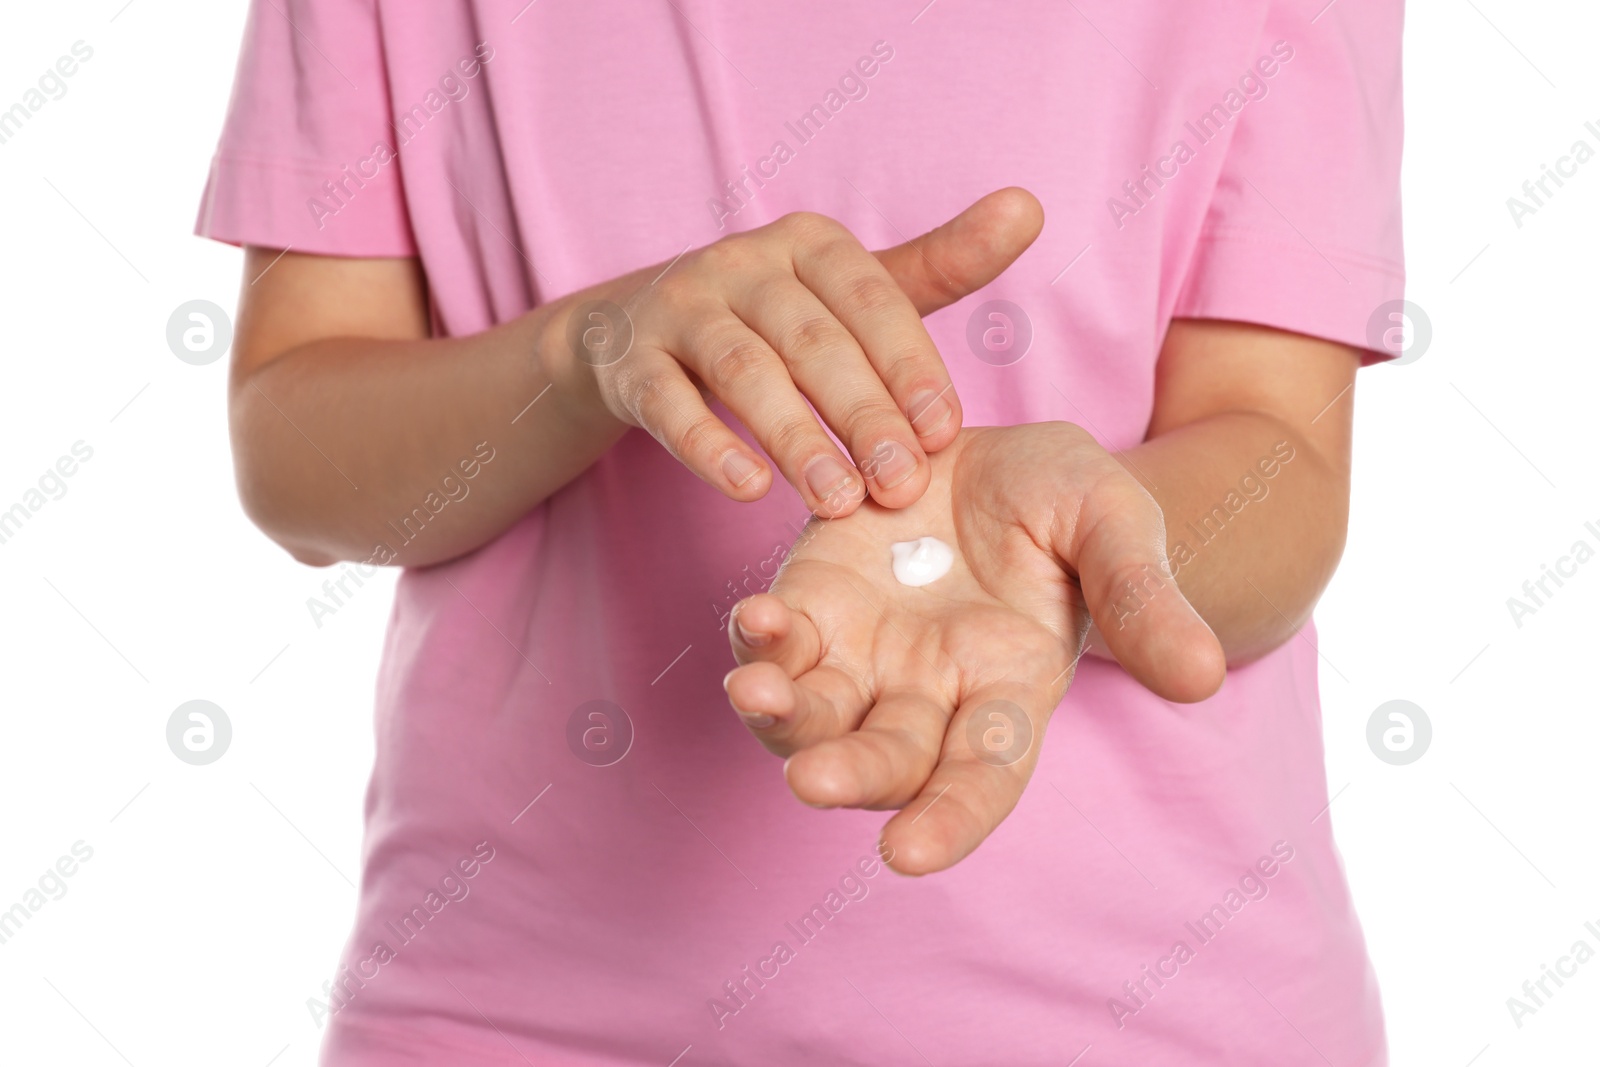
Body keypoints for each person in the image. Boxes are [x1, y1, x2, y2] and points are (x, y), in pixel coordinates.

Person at [201, 0, 1403, 1062]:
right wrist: (582, 356)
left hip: (1144, 1012)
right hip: (500, 1008)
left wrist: (1079, 539)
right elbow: (295, 450)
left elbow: (1279, 461)